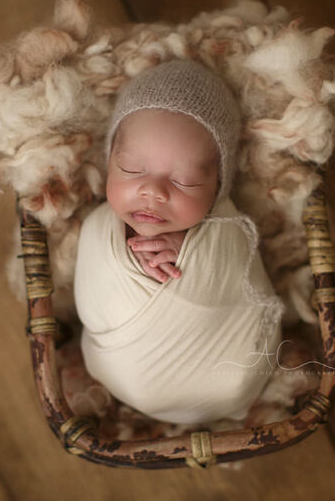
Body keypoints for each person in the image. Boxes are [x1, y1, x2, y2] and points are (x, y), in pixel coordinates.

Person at [73, 60, 284, 425]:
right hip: (119, 371)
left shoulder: (226, 229)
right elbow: (93, 300)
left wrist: (190, 260)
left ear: (218, 187)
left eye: (184, 181)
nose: (152, 191)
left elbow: (235, 282)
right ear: (109, 161)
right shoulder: (97, 227)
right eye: (131, 170)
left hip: (227, 378)